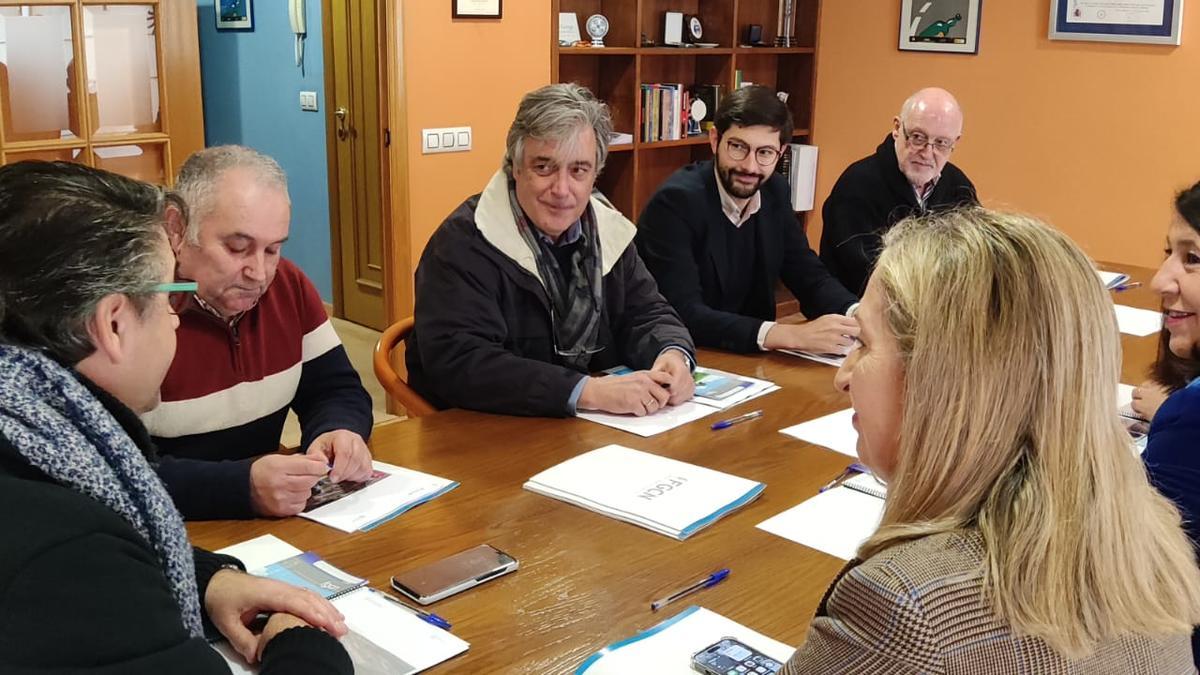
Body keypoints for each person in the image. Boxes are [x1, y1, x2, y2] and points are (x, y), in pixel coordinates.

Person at [784, 207, 1200, 673]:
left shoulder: (904, 606)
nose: (843, 376)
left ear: (944, 380)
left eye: (863, 343)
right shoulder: (1152, 533)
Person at [0, 161, 351, 673]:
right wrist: (304, 645)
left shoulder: (39, 440)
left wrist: (208, 578)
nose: (173, 319)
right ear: (114, 323)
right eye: (168, 295)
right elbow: (96, 567)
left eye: (273, 249)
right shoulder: (67, 548)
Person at [406, 83, 696, 417]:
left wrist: (673, 354)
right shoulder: (461, 242)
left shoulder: (608, 230)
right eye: (543, 167)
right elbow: (461, 362)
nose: (562, 190)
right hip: (485, 431)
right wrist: (586, 391)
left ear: (595, 174)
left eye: (578, 170)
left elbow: (648, 312)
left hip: (589, 430)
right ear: (515, 167)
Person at [141, 145, 375, 520]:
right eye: (237, 248)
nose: (259, 273)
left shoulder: (289, 286)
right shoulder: (136, 311)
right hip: (165, 528)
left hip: (267, 524)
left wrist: (338, 431)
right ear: (177, 229)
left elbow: (335, 388)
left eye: (273, 250)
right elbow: (107, 471)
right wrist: (239, 486)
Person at [636, 85, 859, 355]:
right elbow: (684, 313)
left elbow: (808, 275)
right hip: (690, 356)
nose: (750, 167)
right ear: (715, 140)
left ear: (781, 152)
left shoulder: (775, 191)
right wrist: (786, 334)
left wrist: (857, 315)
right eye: (738, 147)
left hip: (753, 360)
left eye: (765, 152)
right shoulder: (675, 203)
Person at [819, 87, 977, 295]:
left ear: (955, 142)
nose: (927, 154)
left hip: (934, 310)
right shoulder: (857, 185)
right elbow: (865, 273)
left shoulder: (959, 186)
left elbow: (975, 258)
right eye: (918, 137)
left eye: (941, 143)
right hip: (860, 311)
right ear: (897, 128)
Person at [1139, 180, 1200, 663]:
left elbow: (1140, 581)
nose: (1161, 280)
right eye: (1169, 253)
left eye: (1192, 259)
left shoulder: (1188, 421)